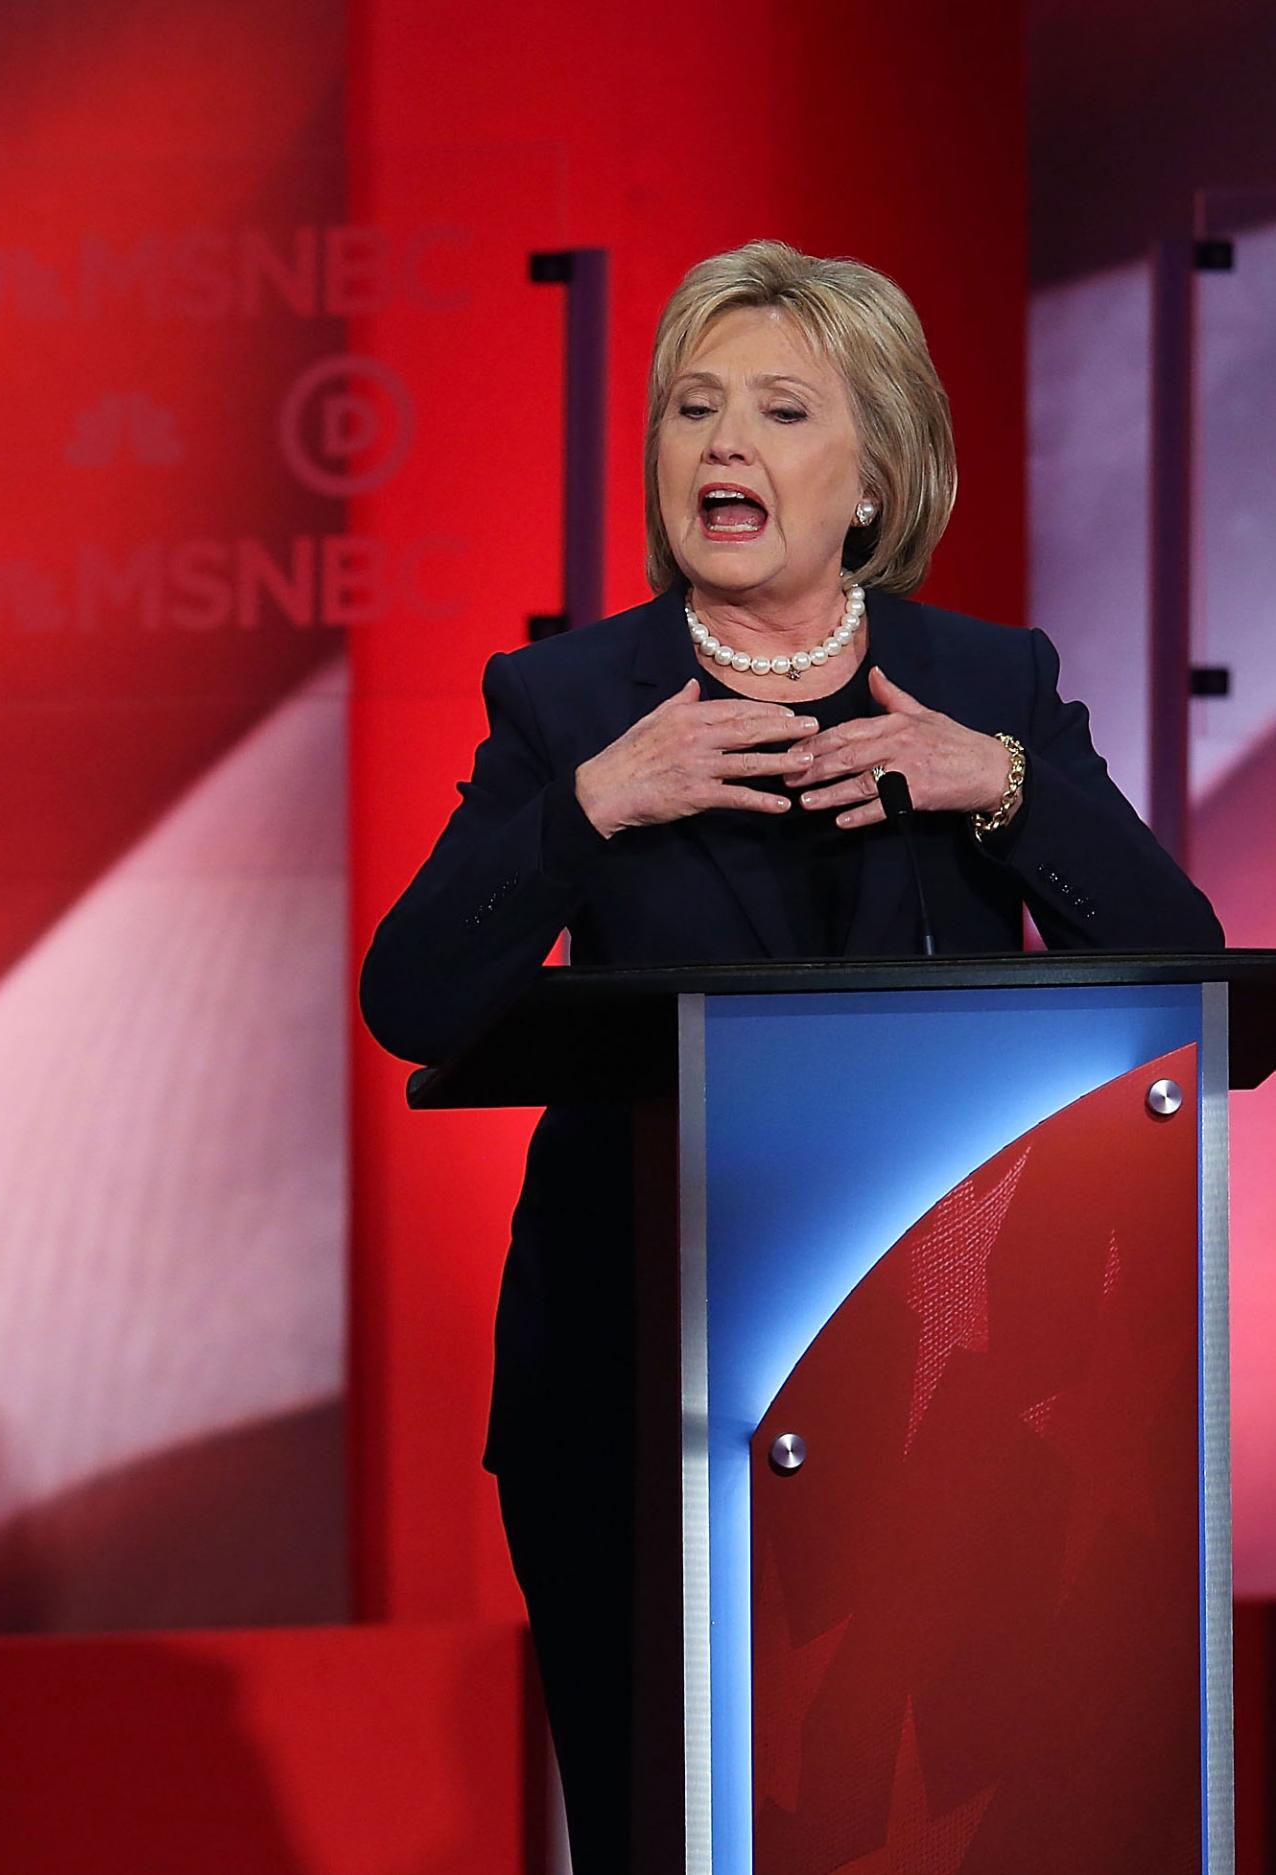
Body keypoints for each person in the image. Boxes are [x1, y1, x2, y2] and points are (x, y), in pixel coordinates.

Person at [357, 239, 1221, 1870]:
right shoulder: (572, 700)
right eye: (693, 409)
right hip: (637, 1370)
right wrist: (598, 802)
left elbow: (1192, 987)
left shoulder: (988, 686)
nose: (721, 446)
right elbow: (411, 998)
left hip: (950, 1386)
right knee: (660, 1813)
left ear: (872, 482)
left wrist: (1009, 788)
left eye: (776, 410)